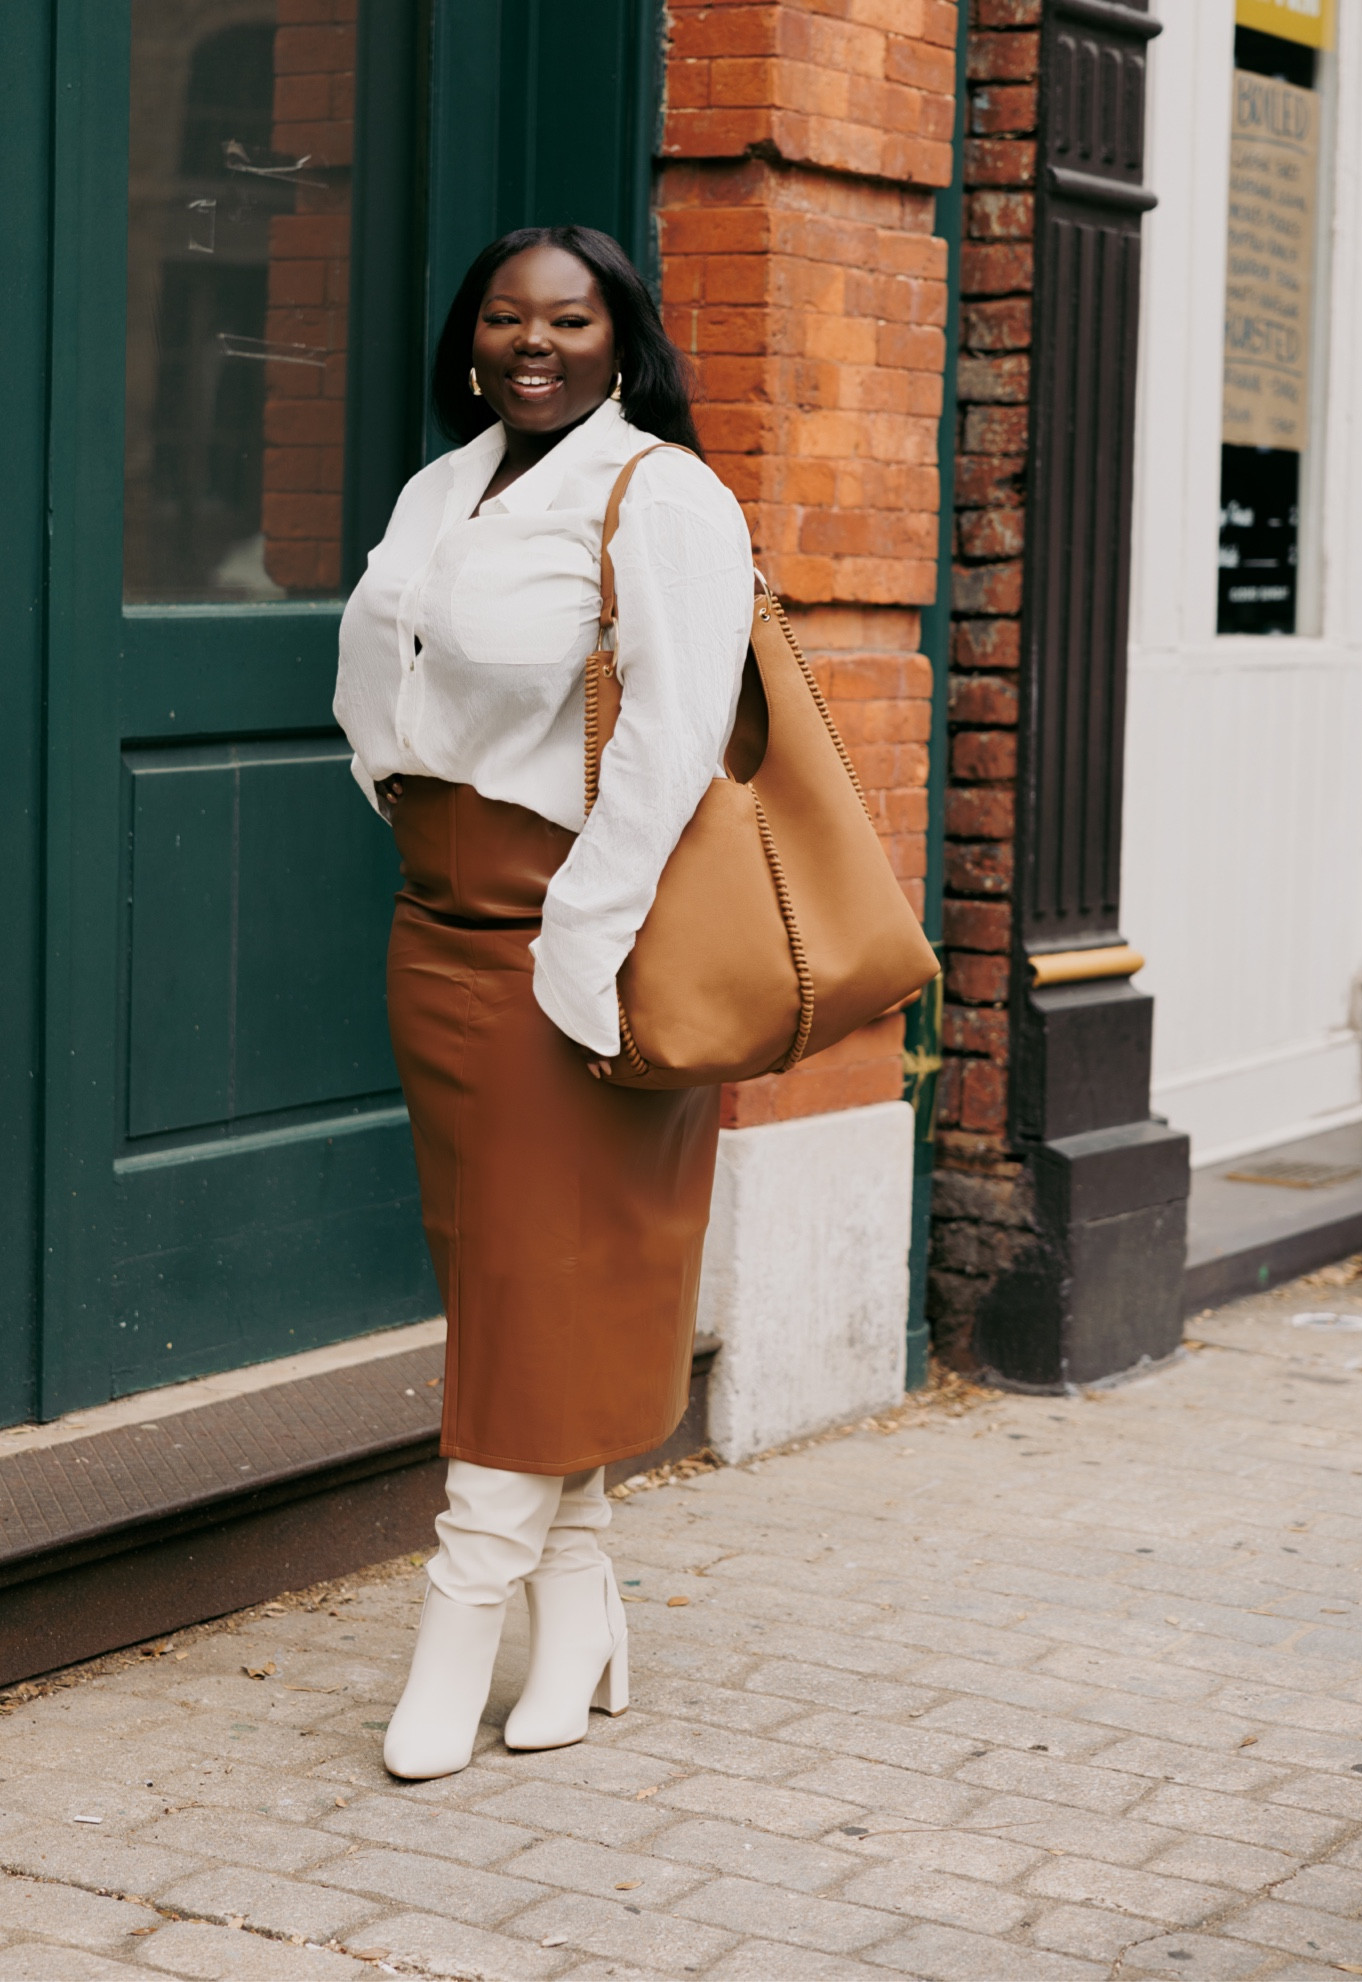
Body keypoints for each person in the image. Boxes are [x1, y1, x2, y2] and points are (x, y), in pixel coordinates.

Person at [333, 225, 754, 1780]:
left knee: (533, 1279)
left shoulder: (662, 493)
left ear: (619, 339)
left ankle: (462, 1619)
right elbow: (379, 666)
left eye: (569, 319)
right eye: (506, 317)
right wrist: (386, 775)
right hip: (436, 926)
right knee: (508, 1277)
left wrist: (579, 932)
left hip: (574, 931)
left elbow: (671, 731)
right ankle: (573, 1602)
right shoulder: (442, 488)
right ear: (470, 340)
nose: (535, 342)